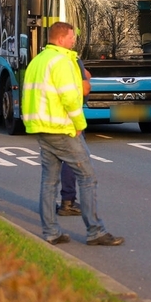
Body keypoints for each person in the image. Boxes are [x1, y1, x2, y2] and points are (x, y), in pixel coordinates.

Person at [22, 21, 123, 246]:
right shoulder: (62, 61)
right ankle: (95, 231)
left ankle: (51, 232)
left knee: (49, 182)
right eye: (71, 37)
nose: (74, 41)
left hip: (41, 127)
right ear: (60, 39)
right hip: (62, 128)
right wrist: (79, 123)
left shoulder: (38, 60)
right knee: (87, 177)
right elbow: (69, 98)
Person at [58, 60, 92, 217]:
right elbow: (85, 85)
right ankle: (68, 201)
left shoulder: (44, 59)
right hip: (68, 120)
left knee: (49, 173)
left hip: (47, 121)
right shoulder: (71, 59)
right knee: (75, 161)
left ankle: (48, 214)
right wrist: (79, 124)